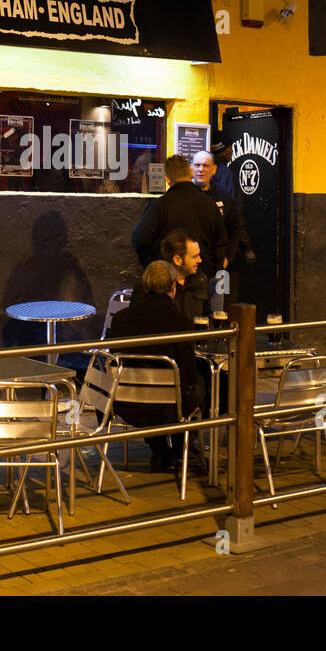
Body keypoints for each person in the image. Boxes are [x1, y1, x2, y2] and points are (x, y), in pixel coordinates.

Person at [109, 261, 206, 473]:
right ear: (173, 287)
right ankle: (180, 450)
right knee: (200, 387)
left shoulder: (122, 319)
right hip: (167, 407)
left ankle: (159, 448)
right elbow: (188, 374)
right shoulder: (180, 322)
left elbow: (112, 360)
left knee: (163, 392)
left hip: (128, 403)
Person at [132, 154, 228, 294]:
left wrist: (154, 265)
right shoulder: (210, 205)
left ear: (167, 179)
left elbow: (139, 239)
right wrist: (208, 270)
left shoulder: (160, 205)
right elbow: (221, 244)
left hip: (165, 283)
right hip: (199, 283)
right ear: (190, 173)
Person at [192, 150, 253, 303]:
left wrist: (227, 258)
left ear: (214, 170)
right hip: (191, 271)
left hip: (220, 270)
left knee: (218, 310)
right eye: (197, 165)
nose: (201, 169)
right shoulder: (186, 194)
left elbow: (235, 227)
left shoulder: (224, 194)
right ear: (191, 168)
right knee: (193, 312)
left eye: (206, 165)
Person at [160, 229, 208, 321]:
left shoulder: (201, 280)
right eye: (195, 256)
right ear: (177, 260)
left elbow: (208, 315)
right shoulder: (159, 286)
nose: (200, 260)